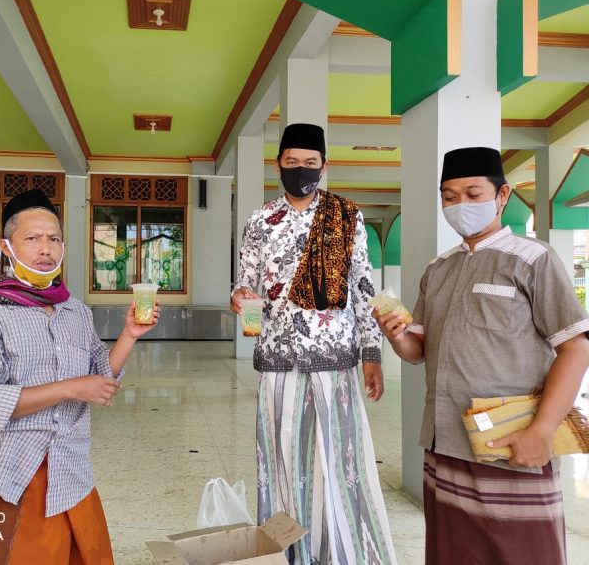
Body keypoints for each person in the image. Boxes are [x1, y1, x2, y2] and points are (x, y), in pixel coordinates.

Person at [0, 189, 159, 564]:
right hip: (11, 474)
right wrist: (70, 388)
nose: (45, 248)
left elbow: (100, 375)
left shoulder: (74, 310)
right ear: (7, 246)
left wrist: (129, 334)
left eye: (54, 238)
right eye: (32, 238)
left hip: (72, 469)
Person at [374, 147, 589, 565]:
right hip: (447, 439)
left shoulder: (533, 259)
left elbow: (576, 346)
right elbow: (418, 351)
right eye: (450, 197)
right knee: (454, 551)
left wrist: (541, 431)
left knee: (521, 551)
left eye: (473, 194)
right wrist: (396, 336)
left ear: (502, 195)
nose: (460, 206)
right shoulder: (439, 268)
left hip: (512, 439)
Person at [231, 123, 397, 564]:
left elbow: (362, 286)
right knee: (283, 462)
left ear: (325, 166)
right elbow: (246, 282)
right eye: (291, 163)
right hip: (278, 362)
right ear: (277, 164)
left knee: (338, 464)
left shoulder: (347, 215)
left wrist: (371, 352)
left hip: (335, 363)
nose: (300, 170)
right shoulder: (259, 220)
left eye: (309, 163)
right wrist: (240, 297)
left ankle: (342, 551)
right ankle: (289, 554)